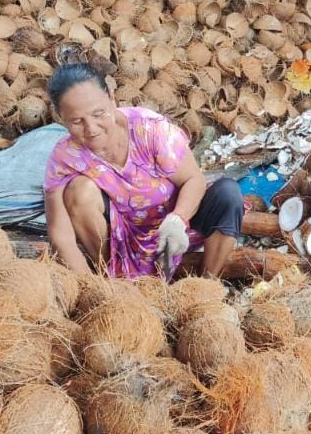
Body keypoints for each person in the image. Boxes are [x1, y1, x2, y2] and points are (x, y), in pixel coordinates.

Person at [42, 63, 244, 280]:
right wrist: (89, 286)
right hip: (121, 238)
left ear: (111, 98)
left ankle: (206, 284)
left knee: (228, 195)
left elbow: (194, 180)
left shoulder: (149, 129)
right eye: (76, 121)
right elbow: (60, 235)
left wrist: (178, 220)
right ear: (61, 118)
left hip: (173, 227)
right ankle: (109, 274)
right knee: (79, 191)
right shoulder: (64, 157)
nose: (91, 129)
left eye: (98, 113)